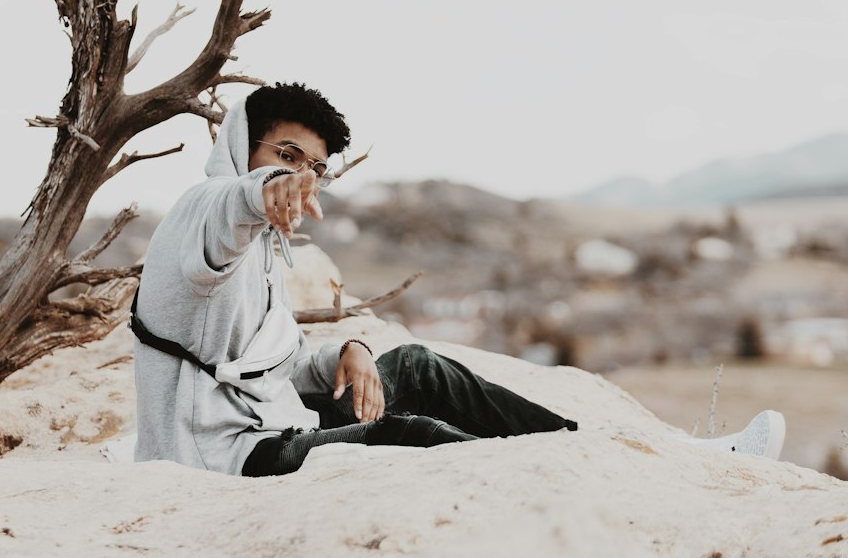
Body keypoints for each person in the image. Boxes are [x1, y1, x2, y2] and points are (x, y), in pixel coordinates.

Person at [131, 82, 785, 476]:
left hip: (278, 420)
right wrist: (263, 190)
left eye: (316, 167)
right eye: (286, 155)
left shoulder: (268, 256)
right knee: (414, 433)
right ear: (241, 148)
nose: (303, 176)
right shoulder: (203, 213)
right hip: (233, 459)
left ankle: (658, 459)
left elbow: (266, 365)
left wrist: (344, 352)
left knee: (415, 365)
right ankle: (588, 481)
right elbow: (230, 208)